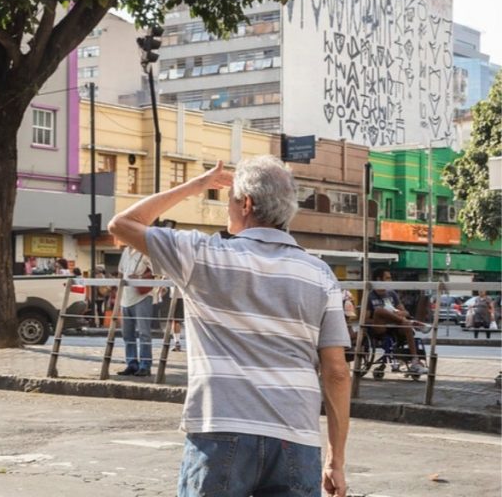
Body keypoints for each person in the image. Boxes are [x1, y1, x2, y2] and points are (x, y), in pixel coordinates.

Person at [108, 155, 351, 497]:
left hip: (221, 428)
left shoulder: (203, 255)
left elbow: (123, 223)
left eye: (230, 202)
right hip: (296, 436)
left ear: (246, 204)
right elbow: (337, 371)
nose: (228, 211)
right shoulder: (320, 274)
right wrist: (335, 460)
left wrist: (197, 185)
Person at [367, 268, 428, 375]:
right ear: (379, 279)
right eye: (387, 278)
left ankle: (415, 361)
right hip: (380, 327)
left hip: (395, 326)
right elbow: (364, 319)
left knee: (406, 325)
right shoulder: (370, 296)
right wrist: (385, 317)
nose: (390, 280)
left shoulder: (392, 294)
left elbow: (406, 312)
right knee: (379, 310)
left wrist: (398, 314)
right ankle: (413, 323)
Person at [116, 245, 155, 377]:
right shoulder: (126, 251)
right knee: (127, 334)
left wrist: (140, 278)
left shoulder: (146, 250)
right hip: (126, 297)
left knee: (144, 333)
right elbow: (121, 272)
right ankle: (131, 363)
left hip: (142, 296)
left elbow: (157, 272)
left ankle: (145, 365)